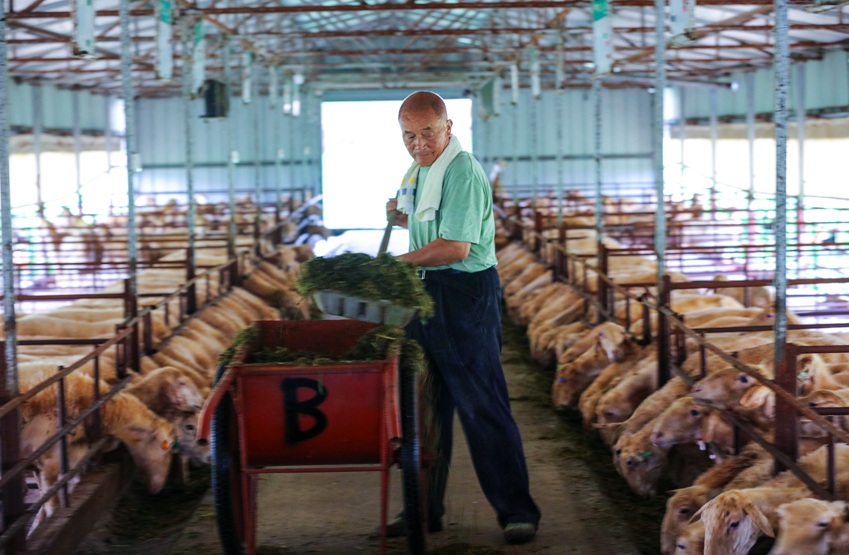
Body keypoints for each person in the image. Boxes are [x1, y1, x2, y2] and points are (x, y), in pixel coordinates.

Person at [384, 91, 540, 544]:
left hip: (464, 293)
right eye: (409, 135)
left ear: (447, 128)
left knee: (481, 403)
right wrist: (397, 215)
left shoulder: (462, 171)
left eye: (427, 133)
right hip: (427, 294)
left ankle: (517, 511)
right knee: (423, 408)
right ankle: (423, 508)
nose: (418, 143)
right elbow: (419, 218)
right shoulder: (419, 170)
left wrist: (397, 265)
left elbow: (455, 247)